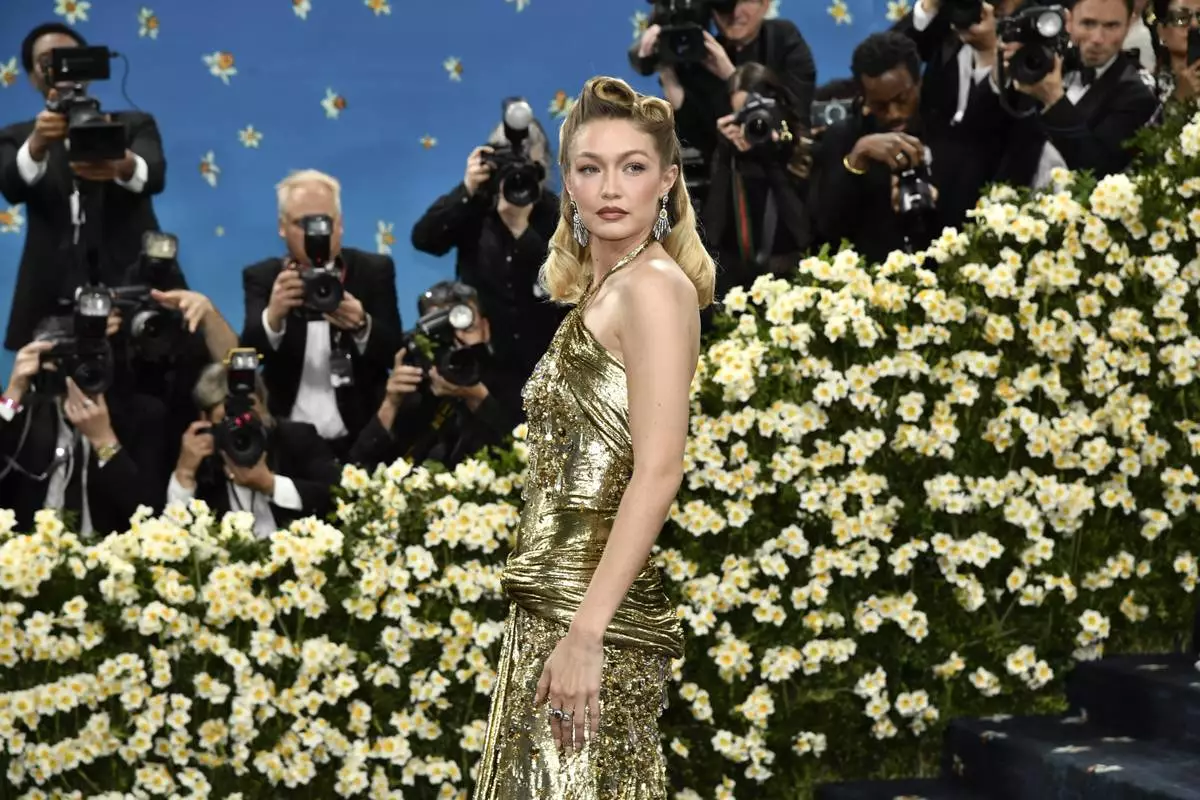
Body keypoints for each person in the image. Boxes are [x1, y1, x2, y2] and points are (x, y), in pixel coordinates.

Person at [471, 76, 715, 799]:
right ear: (568, 182)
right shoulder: (603, 290)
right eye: (590, 167)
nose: (610, 187)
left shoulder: (654, 288)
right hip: (555, 603)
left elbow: (659, 470)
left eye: (633, 167)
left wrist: (586, 635)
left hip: (589, 616)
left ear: (666, 181)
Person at [0, 22, 167, 352]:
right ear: (33, 77)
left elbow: (154, 176)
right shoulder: (17, 137)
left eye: (70, 57)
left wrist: (121, 162)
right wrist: (37, 143)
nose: (62, 69)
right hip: (52, 295)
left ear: (89, 66)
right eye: (47, 61)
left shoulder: (133, 125)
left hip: (132, 287)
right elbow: (12, 187)